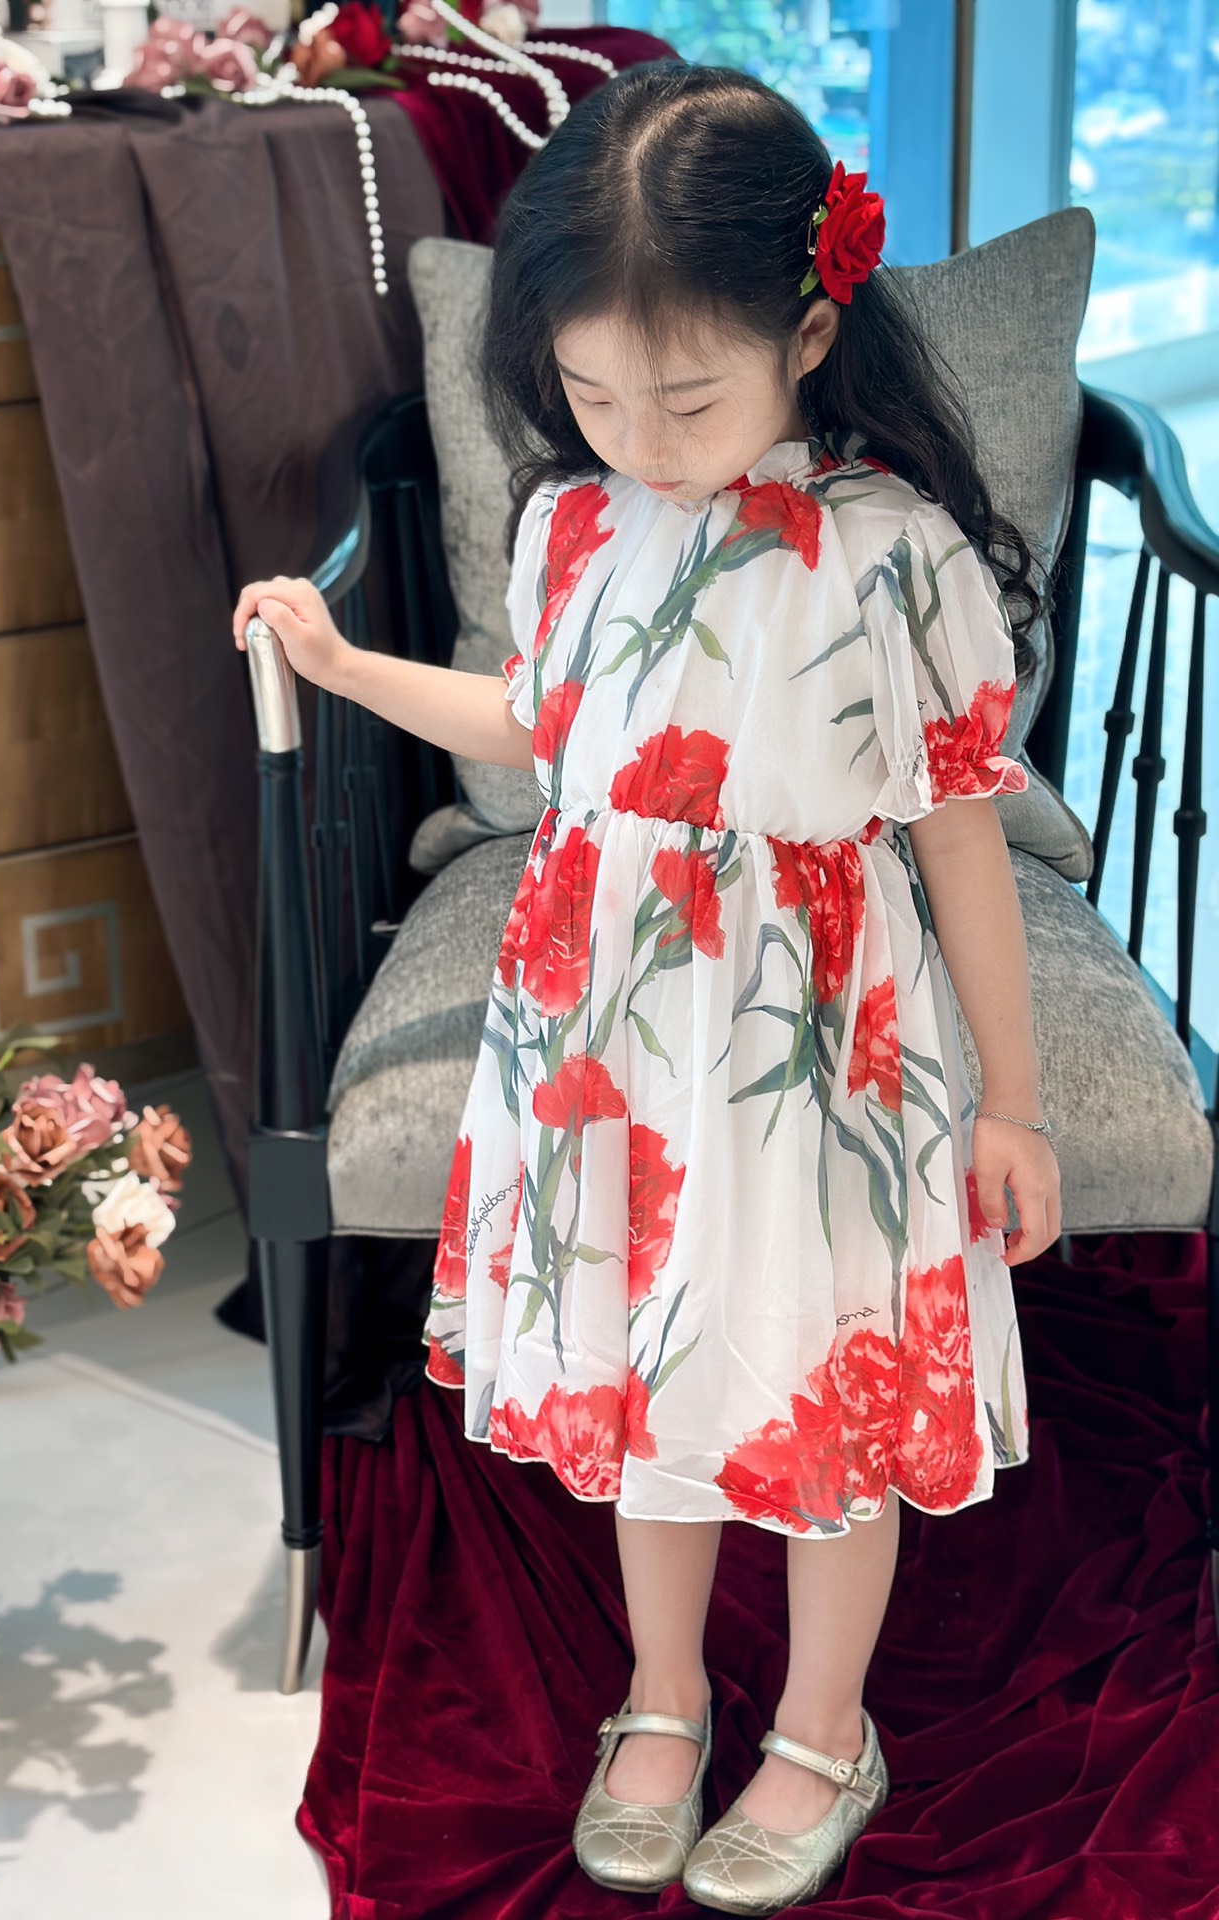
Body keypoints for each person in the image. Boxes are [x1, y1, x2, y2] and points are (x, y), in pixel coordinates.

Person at [234, 62, 1062, 1918]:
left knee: (828, 1376)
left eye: (688, 398)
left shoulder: (891, 555)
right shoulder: (575, 524)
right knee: (644, 1360)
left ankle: (825, 1726)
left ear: (810, 333)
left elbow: (958, 842)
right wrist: (345, 664)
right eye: (596, 395)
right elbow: (538, 728)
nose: (645, 440)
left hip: (810, 1038)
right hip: (601, 1034)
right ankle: (667, 1695)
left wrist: (1011, 1104)